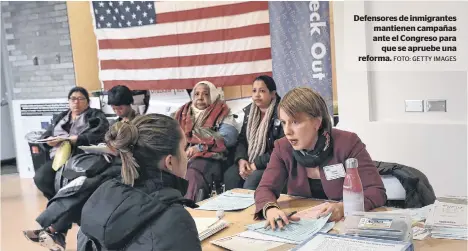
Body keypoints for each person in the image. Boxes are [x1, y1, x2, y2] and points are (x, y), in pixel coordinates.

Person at [254, 87, 387, 229]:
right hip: (303, 225)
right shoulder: (282, 148)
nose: (287, 131)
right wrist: (270, 209)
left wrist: (344, 207)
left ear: (316, 123)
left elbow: (376, 190)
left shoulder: (348, 143)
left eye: (295, 122)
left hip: (345, 226)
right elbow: (264, 189)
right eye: (283, 122)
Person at [78, 114, 201, 251]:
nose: (186, 156)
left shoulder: (100, 197)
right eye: (184, 148)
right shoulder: (176, 219)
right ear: (170, 162)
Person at [34, 87, 109, 201]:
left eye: (80, 99)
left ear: (87, 101)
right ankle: (56, 200)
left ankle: (70, 204)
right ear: (68, 101)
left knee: (73, 180)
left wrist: (78, 139)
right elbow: (46, 135)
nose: (76, 102)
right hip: (58, 157)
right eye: (73, 99)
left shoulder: (95, 115)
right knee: (41, 178)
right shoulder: (61, 117)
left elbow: (100, 133)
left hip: (81, 157)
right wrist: (48, 141)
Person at [174, 81, 238, 201]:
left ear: (213, 95)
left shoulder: (223, 112)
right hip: (184, 156)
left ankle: (189, 208)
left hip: (211, 159)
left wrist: (199, 148)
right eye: (197, 94)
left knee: (192, 171)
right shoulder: (182, 112)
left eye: (205, 94)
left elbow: (229, 138)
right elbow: (171, 134)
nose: (200, 97)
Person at [224, 76, 283, 190]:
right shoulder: (249, 112)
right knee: (230, 176)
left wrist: (256, 164)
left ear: (273, 94)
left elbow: (280, 148)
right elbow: (242, 140)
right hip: (249, 160)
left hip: (271, 163)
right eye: (254, 91)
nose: (257, 95)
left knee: (252, 181)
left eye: (262, 91)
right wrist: (241, 160)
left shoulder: (282, 113)